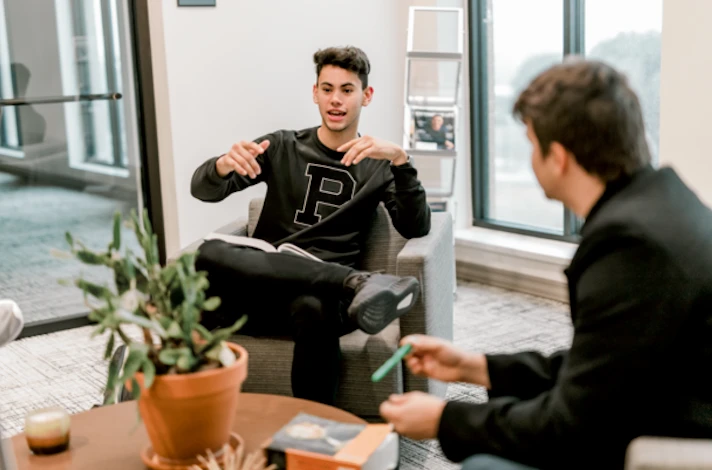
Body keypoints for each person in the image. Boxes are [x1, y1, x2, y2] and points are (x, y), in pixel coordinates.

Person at [379, 58, 712, 469]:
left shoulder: (631, 246)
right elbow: (599, 367)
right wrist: (473, 366)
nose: (531, 159)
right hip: (657, 406)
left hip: (667, 442)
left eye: (533, 144)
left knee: (484, 465)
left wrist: (445, 419)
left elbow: (570, 426)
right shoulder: (663, 203)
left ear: (559, 157)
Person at [190, 46, 431, 406]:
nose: (336, 100)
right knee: (207, 253)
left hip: (320, 304)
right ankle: (357, 280)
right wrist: (222, 166)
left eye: (347, 90)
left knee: (312, 307)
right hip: (262, 291)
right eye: (327, 88)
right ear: (314, 92)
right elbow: (203, 190)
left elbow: (416, 226)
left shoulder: (379, 165)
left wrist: (401, 160)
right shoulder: (283, 145)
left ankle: (315, 427)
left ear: (366, 96)